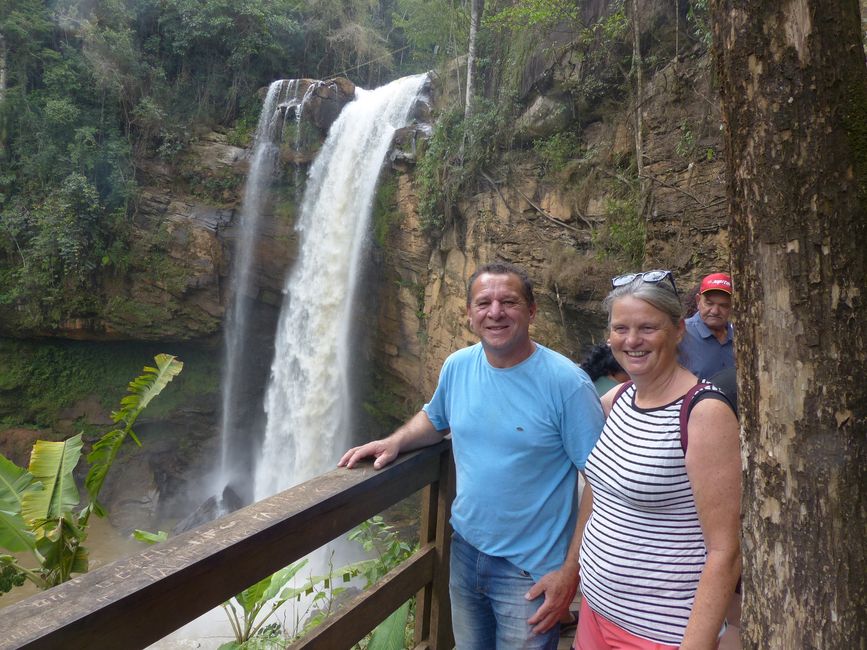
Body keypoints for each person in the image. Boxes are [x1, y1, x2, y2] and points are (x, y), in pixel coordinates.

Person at [339, 262, 605, 649]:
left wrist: (571, 572)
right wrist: (396, 441)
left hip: (529, 571)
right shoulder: (458, 366)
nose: (495, 312)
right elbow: (435, 419)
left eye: (509, 302)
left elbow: (603, 483)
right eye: (484, 303)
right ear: (468, 314)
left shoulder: (566, 384)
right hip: (465, 553)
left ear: (531, 311)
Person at [575, 270, 741, 650]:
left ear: (678, 330)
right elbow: (599, 495)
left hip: (658, 632)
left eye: (648, 328)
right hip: (595, 612)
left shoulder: (704, 412)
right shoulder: (618, 399)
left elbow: (725, 551)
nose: (632, 340)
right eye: (621, 328)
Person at [679, 272, 735, 379]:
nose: (715, 311)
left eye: (723, 305)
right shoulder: (680, 334)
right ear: (698, 301)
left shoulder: (741, 339)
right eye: (709, 303)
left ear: (732, 306)